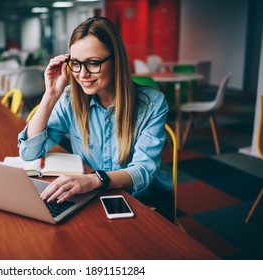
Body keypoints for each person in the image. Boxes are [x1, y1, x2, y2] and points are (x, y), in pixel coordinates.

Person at [17, 16, 173, 221]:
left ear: (116, 60)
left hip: (143, 200)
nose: (82, 74)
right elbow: (29, 153)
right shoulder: (69, 101)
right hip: (95, 196)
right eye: (76, 63)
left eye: (92, 63)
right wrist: (50, 96)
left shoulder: (152, 104)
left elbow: (143, 171)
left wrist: (94, 180)